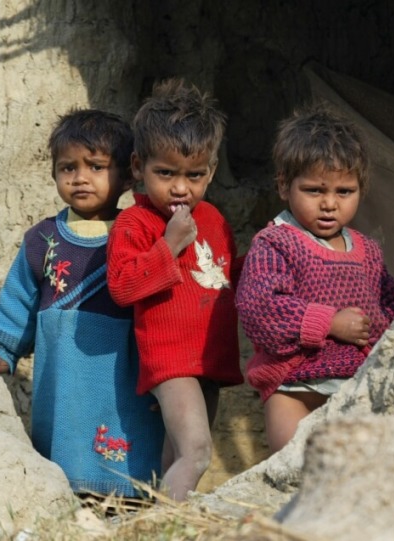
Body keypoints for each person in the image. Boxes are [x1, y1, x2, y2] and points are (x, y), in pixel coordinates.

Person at [0, 109, 164, 497]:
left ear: (128, 174)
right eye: (67, 168)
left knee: (130, 440)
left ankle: (132, 502)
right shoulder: (42, 240)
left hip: (124, 369)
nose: (80, 177)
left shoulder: (142, 234)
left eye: (96, 166)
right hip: (65, 372)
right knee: (67, 446)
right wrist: (2, 349)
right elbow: (19, 298)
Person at [235, 105, 394, 453]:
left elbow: (393, 305)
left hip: (354, 388)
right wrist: (329, 322)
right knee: (292, 474)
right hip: (294, 390)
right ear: (284, 186)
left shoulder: (368, 251)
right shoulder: (275, 243)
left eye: (344, 192)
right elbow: (260, 309)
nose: (330, 203)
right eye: (315, 190)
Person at [106, 79, 243, 502]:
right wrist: (170, 244)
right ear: (137, 167)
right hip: (172, 360)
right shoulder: (136, 223)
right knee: (198, 451)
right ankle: (164, 528)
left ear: (212, 172)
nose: (181, 188)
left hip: (211, 358)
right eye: (165, 174)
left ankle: (159, 514)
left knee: (175, 455)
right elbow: (124, 286)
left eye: (194, 175)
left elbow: (224, 277)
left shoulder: (216, 219)